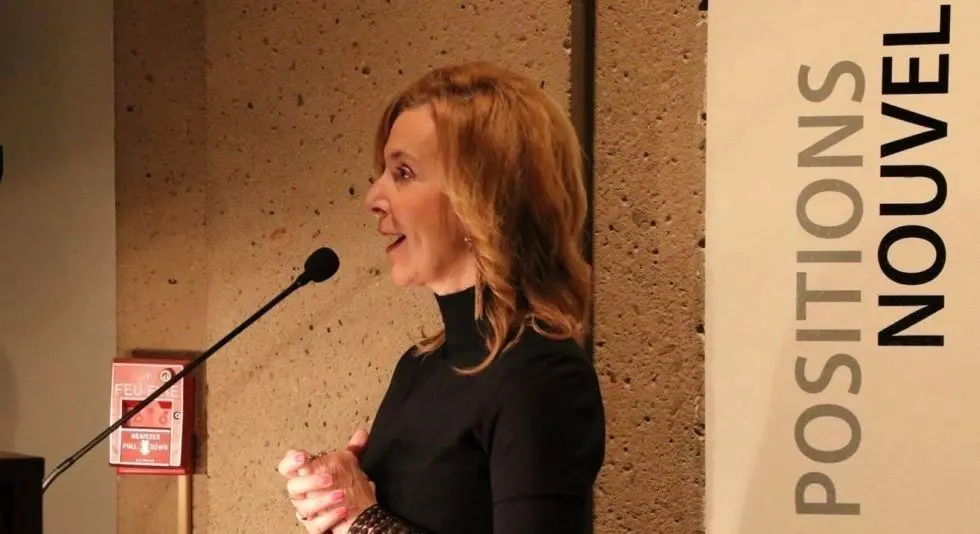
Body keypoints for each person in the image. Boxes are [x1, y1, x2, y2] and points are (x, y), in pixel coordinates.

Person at [276, 61, 606, 534]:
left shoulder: (542, 376)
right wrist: (334, 490)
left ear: (484, 198)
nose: (374, 197)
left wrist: (365, 522)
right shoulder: (418, 365)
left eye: (404, 172)